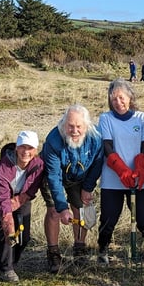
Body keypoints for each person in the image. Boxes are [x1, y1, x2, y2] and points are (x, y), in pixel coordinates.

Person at [97, 78, 144, 264]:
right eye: (114, 98)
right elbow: (107, 146)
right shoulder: (105, 118)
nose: (118, 102)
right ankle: (103, 249)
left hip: (138, 178)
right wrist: (121, 171)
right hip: (112, 179)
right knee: (109, 218)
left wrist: (139, 169)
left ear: (130, 97)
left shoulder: (143, 118)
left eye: (121, 97)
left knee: (141, 217)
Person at [41, 104, 103, 273]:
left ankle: (79, 249)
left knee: (81, 208)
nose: (74, 131)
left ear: (86, 126)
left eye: (78, 126)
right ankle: (53, 253)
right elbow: (53, 176)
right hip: (55, 176)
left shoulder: (95, 137)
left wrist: (88, 188)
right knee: (54, 211)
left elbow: (98, 163)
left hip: (81, 177)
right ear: (64, 125)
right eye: (70, 126)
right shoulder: (53, 140)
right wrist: (62, 207)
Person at [0, 131, 45, 282]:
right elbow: (2, 201)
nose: (26, 152)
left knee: (24, 236)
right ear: (16, 147)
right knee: (7, 231)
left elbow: (32, 188)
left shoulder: (39, 165)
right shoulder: (2, 167)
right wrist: (8, 222)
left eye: (30, 148)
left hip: (22, 197)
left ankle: (13, 259)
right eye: (22, 147)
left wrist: (19, 200)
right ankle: (6, 268)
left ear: (35, 150)